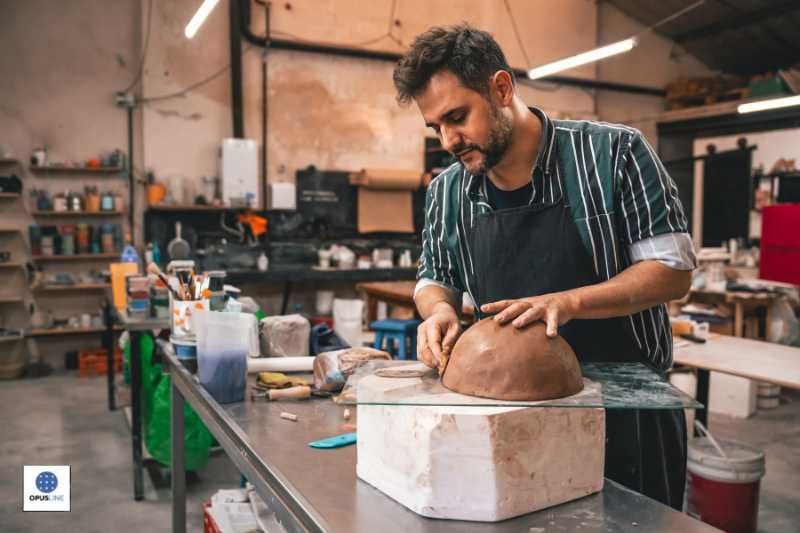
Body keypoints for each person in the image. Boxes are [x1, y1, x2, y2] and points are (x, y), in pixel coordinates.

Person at [393, 24, 696, 509]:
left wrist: (569, 301)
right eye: (436, 127)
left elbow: (672, 269)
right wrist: (439, 312)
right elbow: (436, 277)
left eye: (457, 117)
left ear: (501, 88)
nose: (449, 139)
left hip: (624, 413)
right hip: (504, 419)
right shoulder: (448, 191)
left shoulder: (615, 155)